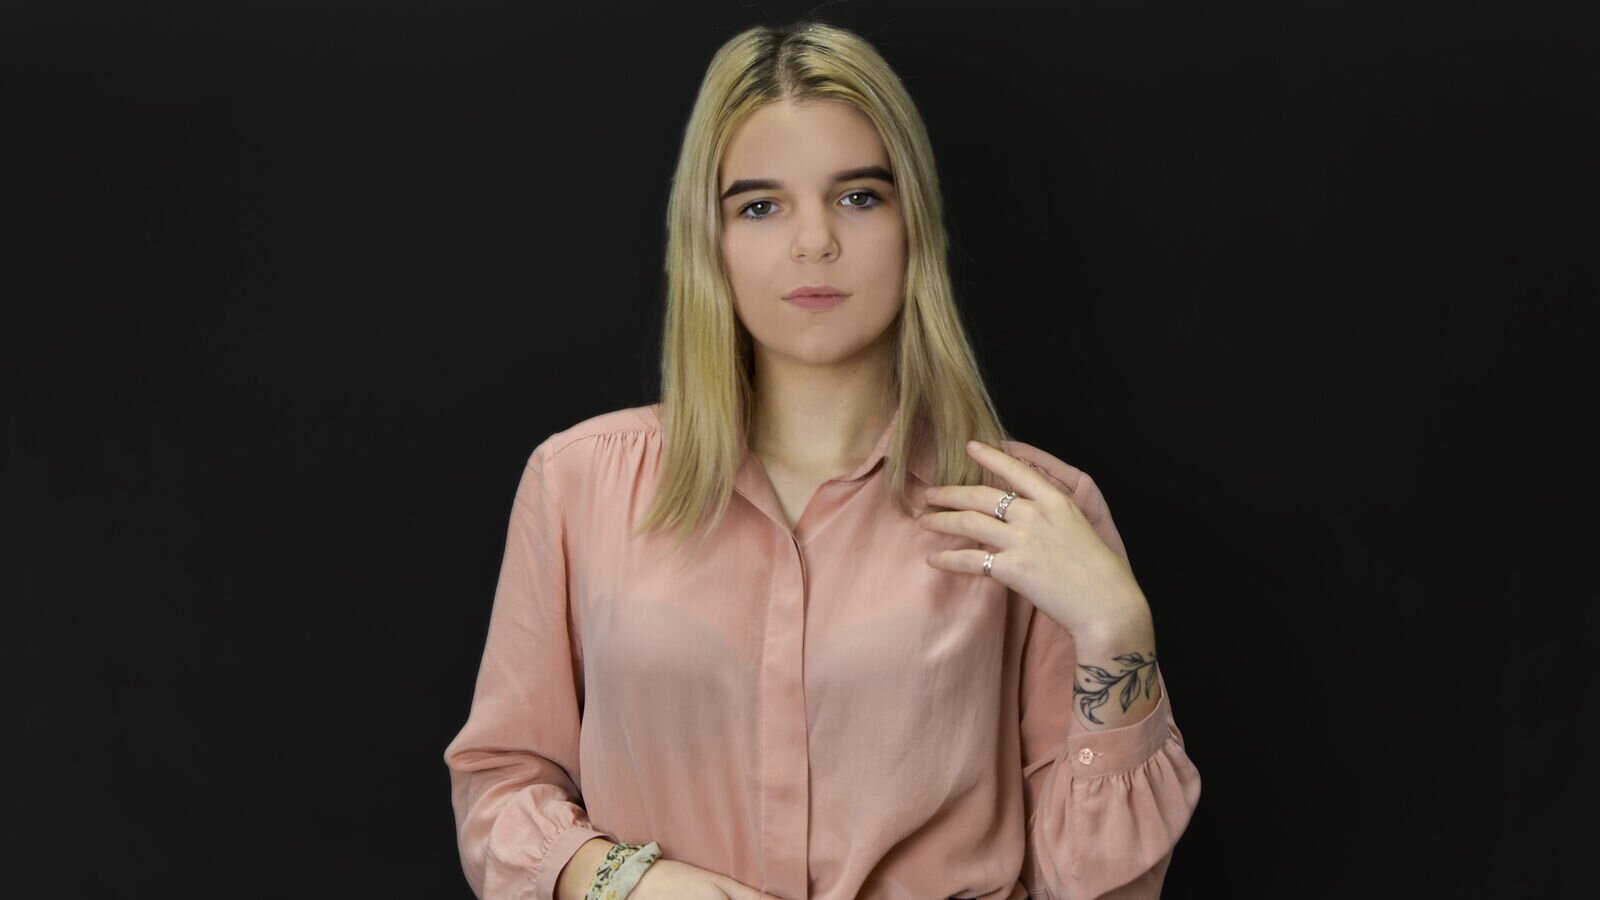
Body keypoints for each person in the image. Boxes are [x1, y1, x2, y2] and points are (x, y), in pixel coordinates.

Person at [443, 19, 1201, 900]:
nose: (814, 243)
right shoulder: (580, 483)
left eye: (859, 197)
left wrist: (1118, 629)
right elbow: (499, 782)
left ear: (914, 222)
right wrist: (625, 882)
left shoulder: (1034, 510)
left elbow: (1102, 885)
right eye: (760, 206)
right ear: (710, 239)